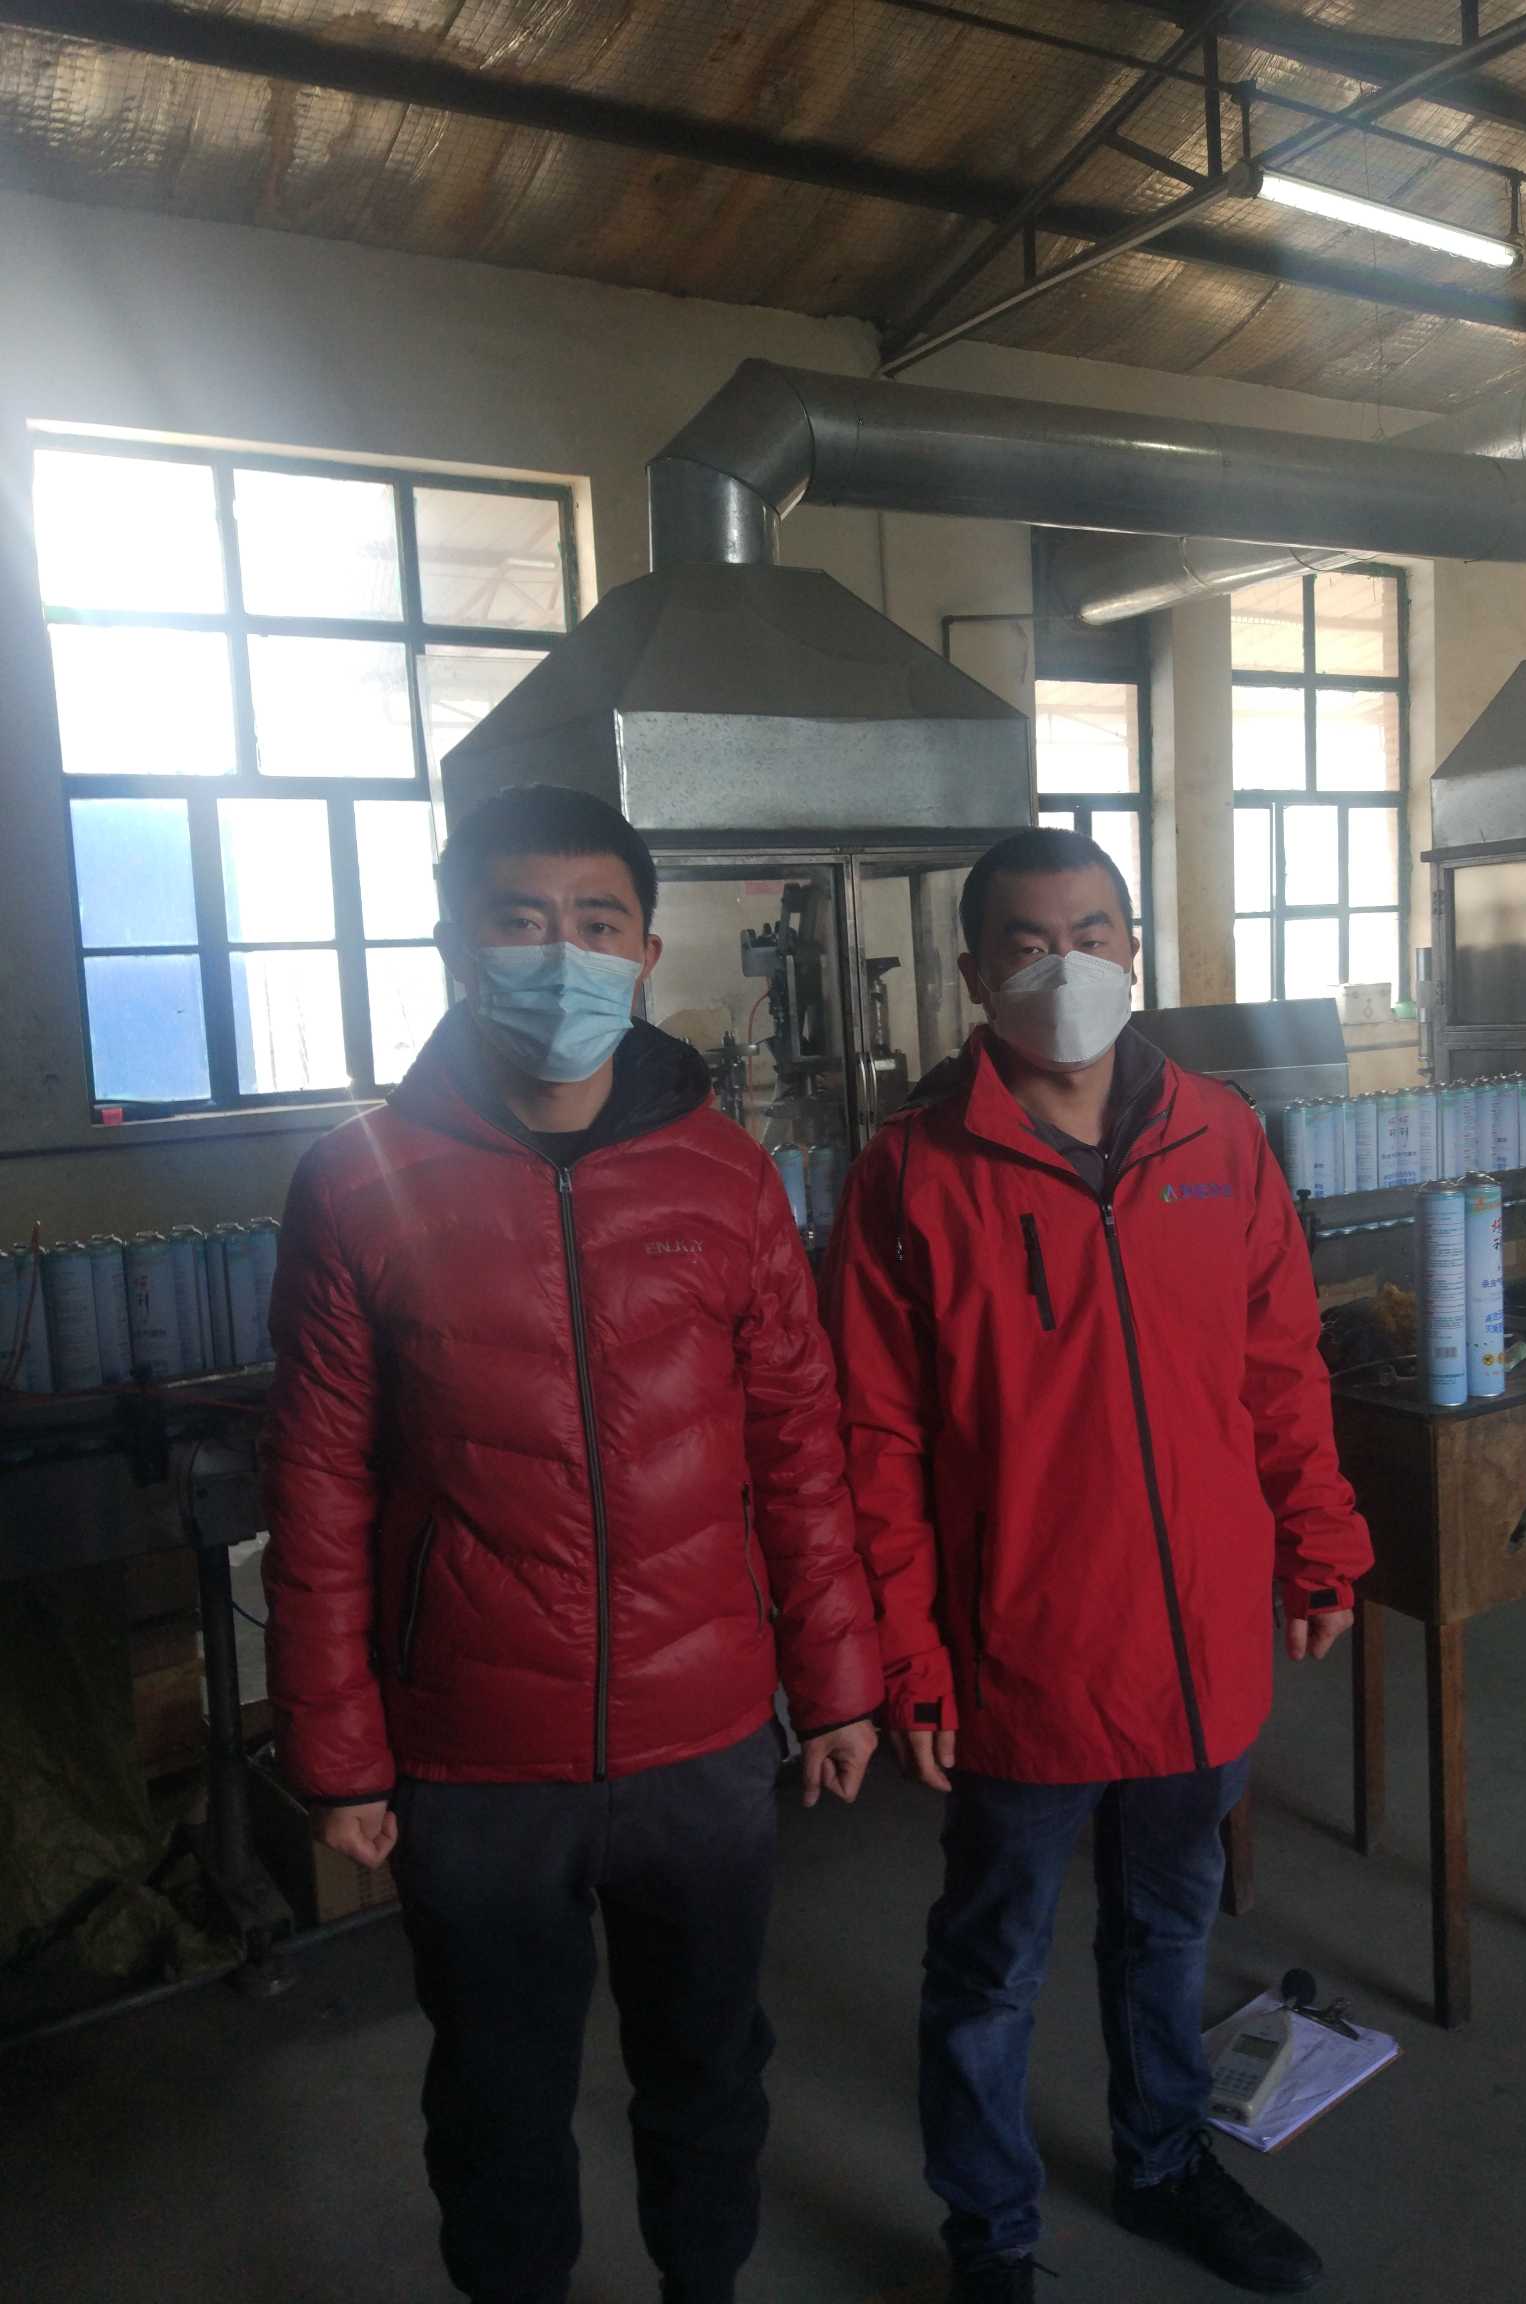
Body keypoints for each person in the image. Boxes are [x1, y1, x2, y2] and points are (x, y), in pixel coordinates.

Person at [262, 784, 882, 2304]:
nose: (563, 954)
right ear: (454, 943)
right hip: (477, 1758)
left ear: (646, 952)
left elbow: (798, 1445)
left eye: (598, 923)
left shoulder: (726, 1176)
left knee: (710, 2072)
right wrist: (339, 1755)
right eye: (522, 921)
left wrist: (839, 1682)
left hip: (704, 1742)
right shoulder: (357, 1184)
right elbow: (321, 1487)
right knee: (497, 2098)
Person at [821, 827, 1371, 2303]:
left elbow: (1278, 1365)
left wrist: (1320, 1538)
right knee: (992, 1964)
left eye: (1092, 933)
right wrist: (908, 1656)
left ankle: (1166, 2165)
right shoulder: (910, 1176)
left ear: (1135, 949)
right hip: (1024, 1656)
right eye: (1025, 941)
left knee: (1169, 1930)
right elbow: (874, 1442)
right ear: (971, 974)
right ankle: (992, 2236)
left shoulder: (1219, 1138)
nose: (1063, 964)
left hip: (1198, 1645)